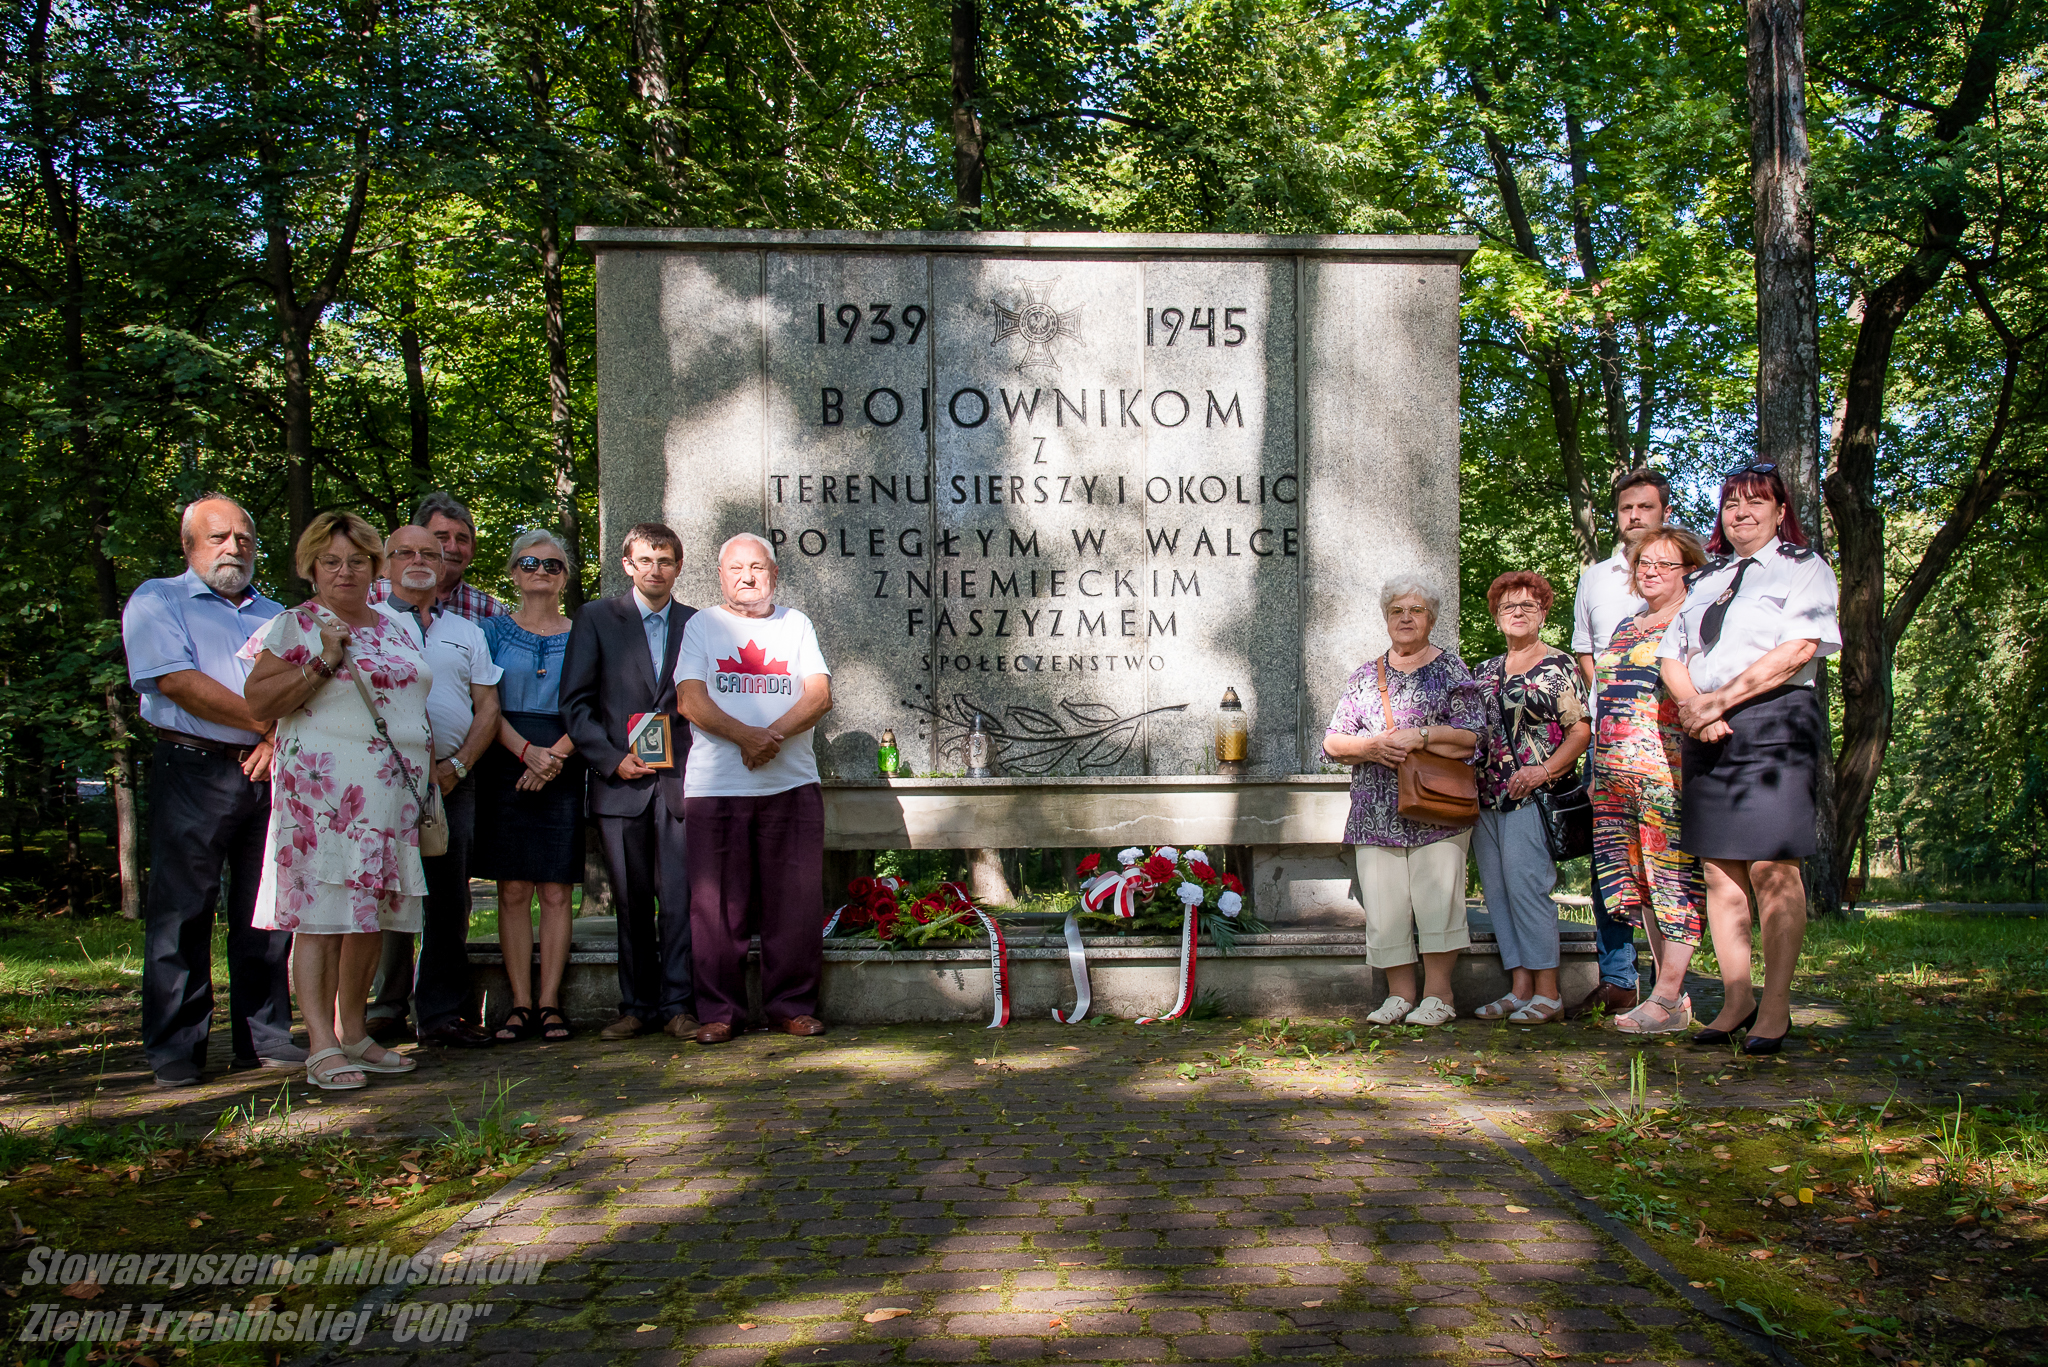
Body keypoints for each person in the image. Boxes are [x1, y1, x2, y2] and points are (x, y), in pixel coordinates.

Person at [242, 512, 428, 1090]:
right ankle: (320, 1042)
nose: (344, 572)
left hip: (391, 794)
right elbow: (258, 702)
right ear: (311, 568)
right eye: (330, 561)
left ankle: (355, 1032)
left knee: (370, 914)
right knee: (321, 917)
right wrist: (322, 660)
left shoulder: (395, 626)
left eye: (356, 561)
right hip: (323, 796)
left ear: (375, 567)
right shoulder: (294, 624)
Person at [1660, 464, 1840, 1054]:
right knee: (1719, 869)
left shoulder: (1805, 569)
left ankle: (1778, 1007)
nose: (1740, 513)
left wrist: (1721, 700)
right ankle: (1736, 1000)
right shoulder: (1707, 580)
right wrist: (1696, 709)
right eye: (1730, 504)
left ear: (1778, 509)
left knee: (1770, 866)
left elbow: (1799, 649)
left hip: (1774, 721)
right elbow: (1674, 654)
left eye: (1754, 503)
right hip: (1705, 728)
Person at [121, 494, 298, 1087]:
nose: (234, 548)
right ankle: (176, 1046)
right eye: (218, 537)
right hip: (192, 766)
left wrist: (276, 740)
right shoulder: (158, 600)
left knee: (267, 909)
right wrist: (265, 722)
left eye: (244, 538)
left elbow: (304, 690)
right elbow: (177, 681)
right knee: (183, 908)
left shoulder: (278, 614)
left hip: (269, 768)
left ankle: (265, 1037)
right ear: (189, 545)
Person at [675, 533, 834, 1044]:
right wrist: (746, 737)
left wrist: (772, 738)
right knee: (716, 906)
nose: (748, 576)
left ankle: (790, 1007)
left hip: (790, 784)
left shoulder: (797, 624)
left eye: (758, 567)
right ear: (721, 575)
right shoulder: (703, 625)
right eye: (737, 568)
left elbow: (819, 694)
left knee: (795, 903)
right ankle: (719, 1012)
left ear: (775, 573)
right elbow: (690, 699)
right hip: (716, 787)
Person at [1321, 578, 1484, 1028]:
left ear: (1431, 618)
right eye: (1397, 610)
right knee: (1385, 903)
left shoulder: (1452, 670)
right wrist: (1371, 747)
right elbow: (1333, 742)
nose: (1406, 618)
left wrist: (1423, 736)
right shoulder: (1363, 676)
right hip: (1375, 810)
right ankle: (1399, 995)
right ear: (1386, 618)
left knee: (1438, 900)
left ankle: (1440, 995)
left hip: (1438, 809)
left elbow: (1473, 738)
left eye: (1416, 610)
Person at [365, 526, 504, 1049]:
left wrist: (460, 767)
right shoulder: (367, 625)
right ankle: (384, 1009)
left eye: (431, 552)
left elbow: (487, 706)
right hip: (382, 781)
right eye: (405, 553)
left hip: (452, 782)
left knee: (449, 899)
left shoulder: (466, 630)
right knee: (389, 892)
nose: (420, 560)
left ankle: (442, 1014)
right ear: (385, 566)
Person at [560, 523, 696, 1040]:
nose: (654, 570)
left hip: (680, 781)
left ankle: (679, 1005)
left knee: (680, 900)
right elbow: (575, 704)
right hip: (621, 785)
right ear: (627, 565)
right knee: (631, 901)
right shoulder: (596, 618)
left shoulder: (698, 623)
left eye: (664, 561)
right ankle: (636, 1006)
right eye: (644, 560)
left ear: (678, 566)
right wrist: (612, 759)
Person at [1595, 528, 1711, 1035]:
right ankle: (1672, 1000)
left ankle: (1665, 996)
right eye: (1644, 564)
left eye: (1665, 565)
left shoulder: (1694, 623)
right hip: (1614, 777)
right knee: (1637, 885)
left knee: (1674, 881)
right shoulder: (1628, 624)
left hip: (1667, 775)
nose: (1651, 572)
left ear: (1690, 571)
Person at [1569, 467, 1674, 1015]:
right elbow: (1587, 651)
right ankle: (1618, 977)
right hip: (1609, 743)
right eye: (1626, 509)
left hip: (1667, 742)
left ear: (1664, 513)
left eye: (1646, 508)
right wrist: (1612, 710)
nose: (1634, 517)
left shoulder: (1688, 575)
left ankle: (1669, 984)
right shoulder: (1597, 577)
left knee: (1666, 860)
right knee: (1609, 860)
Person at [476, 531, 585, 1043]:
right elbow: (484, 704)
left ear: (567, 576)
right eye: (529, 562)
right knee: (514, 888)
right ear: (513, 572)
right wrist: (525, 753)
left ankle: (550, 1003)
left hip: (565, 757)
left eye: (553, 565)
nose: (541, 571)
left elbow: (593, 703)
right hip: (505, 756)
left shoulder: (585, 631)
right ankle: (519, 1003)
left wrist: (555, 755)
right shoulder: (490, 631)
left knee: (557, 891)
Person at [1470, 572, 1591, 1024]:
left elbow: (1581, 730)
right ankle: (1520, 987)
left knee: (1527, 888)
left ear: (1543, 613)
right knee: (1497, 893)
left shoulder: (1558, 667)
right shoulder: (1483, 670)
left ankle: (1549, 992)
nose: (1516, 613)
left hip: (1533, 796)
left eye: (1526, 606)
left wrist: (1543, 771)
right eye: (1507, 607)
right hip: (1486, 798)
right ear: (1496, 616)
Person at [368, 491, 508, 622]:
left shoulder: (491, 611)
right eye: (441, 538)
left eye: (462, 540)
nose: (453, 548)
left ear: (473, 548)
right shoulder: (372, 597)